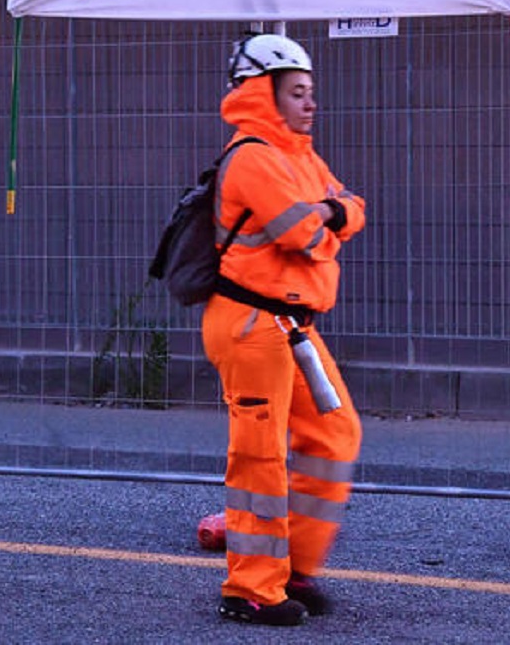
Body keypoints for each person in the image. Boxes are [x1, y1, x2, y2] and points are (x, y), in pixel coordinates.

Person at [202, 33, 366, 627]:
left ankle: (292, 568)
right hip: (252, 324)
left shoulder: (298, 155)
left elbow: (354, 206)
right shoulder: (253, 158)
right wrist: (328, 216)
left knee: (334, 433)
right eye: (297, 92)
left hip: (288, 326)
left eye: (311, 92)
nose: (310, 102)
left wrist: (331, 212)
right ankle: (250, 589)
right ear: (262, 93)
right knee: (260, 458)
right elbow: (304, 235)